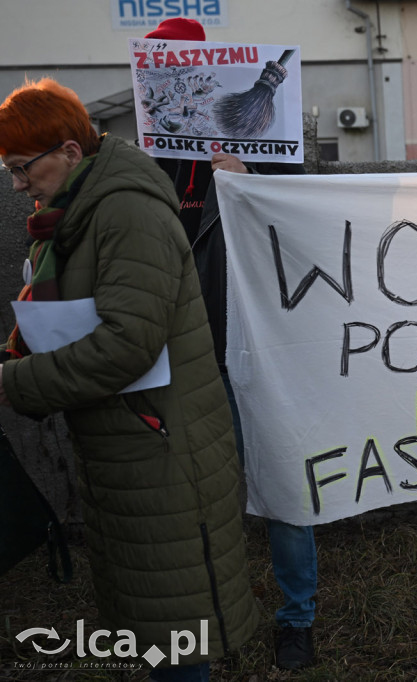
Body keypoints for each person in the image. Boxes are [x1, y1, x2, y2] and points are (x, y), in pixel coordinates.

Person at [0, 78, 258, 681]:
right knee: (155, 616)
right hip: (130, 442)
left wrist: (13, 385)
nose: (16, 186)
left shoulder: (127, 212)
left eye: (21, 169)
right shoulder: (77, 212)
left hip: (162, 449)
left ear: (69, 152)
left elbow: (126, 344)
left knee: (177, 625)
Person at [139, 17, 317, 671]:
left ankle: (296, 619)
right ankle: (216, 619)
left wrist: (249, 180)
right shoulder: (146, 165)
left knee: (282, 487)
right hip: (183, 358)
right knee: (196, 501)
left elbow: (305, 227)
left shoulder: (263, 142)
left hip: (257, 352)